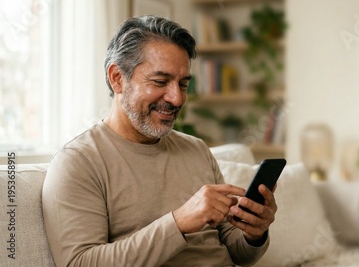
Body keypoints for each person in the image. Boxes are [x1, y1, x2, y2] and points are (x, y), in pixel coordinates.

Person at [42, 15, 277, 267]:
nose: (176, 98)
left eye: (183, 84)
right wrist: (178, 222)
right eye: (160, 81)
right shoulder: (78, 162)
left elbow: (236, 251)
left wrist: (254, 234)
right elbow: (79, 263)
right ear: (117, 78)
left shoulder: (196, 149)